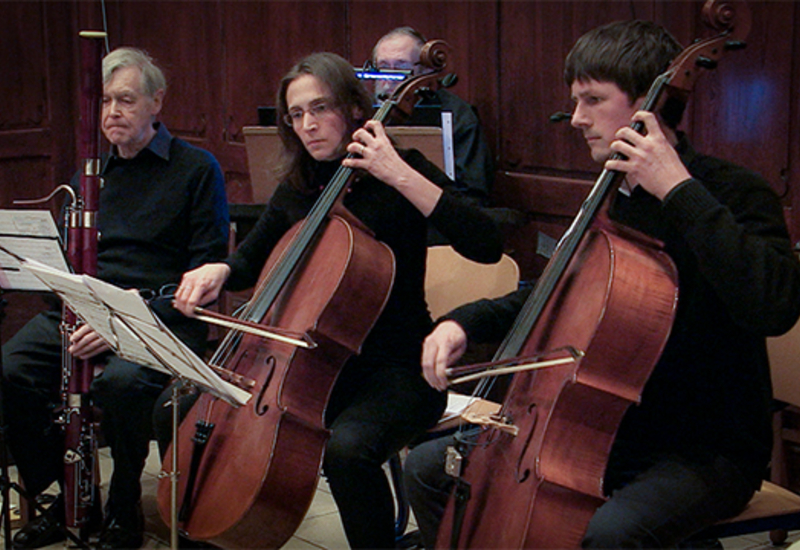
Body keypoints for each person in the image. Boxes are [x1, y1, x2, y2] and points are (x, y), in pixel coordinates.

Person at [404, 19, 800, 549]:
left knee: (612, 535)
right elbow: (552, 295)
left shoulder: (734, 192)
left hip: (704, 448)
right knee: (430, 468)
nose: (576, 118)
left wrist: (676, 189)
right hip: (600, 427)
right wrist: (462, 322)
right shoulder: (609, 198)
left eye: (592, 99)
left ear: (648, 109)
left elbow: (772, 304)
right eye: (575, 100)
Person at [168, 52, 503, 549]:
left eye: (319, 108)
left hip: (399, 370)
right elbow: (251, 261)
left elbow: (486, 241)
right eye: (296, 114)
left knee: (349, 450)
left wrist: (396, 173)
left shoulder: (402, 172)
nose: (307, 125)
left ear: (351, 108)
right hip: (312, 368)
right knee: (178, 408)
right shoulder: (298, 189)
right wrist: (220, 268)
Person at [2, 47, 229, 550]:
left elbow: (205, 275)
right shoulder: (91, 174)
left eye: (126, 99)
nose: (112, 112)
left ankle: (124, 509)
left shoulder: (196, 169)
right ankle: (66, 500)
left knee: (123, 386)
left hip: (157, 317)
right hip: (85, 310)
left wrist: (123, 322)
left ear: (157, 102)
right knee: (11, 369)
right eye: (104, 101)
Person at [372, 26, 495, 209]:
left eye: (401, 67)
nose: (389, 78)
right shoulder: (366, 112)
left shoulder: (458, 116)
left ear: (424, 71)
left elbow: (472, 193)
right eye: (383, 67)